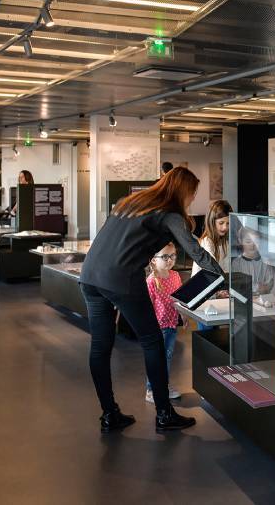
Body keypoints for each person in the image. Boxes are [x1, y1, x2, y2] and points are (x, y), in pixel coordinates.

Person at [80, 167, 222, 433]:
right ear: (183, 191)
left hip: (90, 275)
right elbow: (195, 251)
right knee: (152, 341)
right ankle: (164, 414)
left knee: (100, 346)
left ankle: (110, 414)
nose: (192, 199)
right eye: (192, 194)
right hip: (121, 279)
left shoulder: (131, 203)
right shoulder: (169, 215)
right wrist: (222, 275)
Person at [144, 242, 182, 403]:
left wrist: (184, 316)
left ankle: (163, 385)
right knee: (157, 358)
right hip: (158, 327)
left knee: (166, 357)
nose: (169, 260)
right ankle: (151, 389)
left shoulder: (175, 276)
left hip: (172, 325)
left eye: (172, 256)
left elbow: (180, 299)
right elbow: (147, 307)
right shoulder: (151, 281)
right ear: (153, 260)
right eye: (165, 256)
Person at [193, 199, 232, 277]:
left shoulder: (226, 242)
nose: (225, 227)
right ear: (211, 222)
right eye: (221, 223)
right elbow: (212, 271)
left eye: (228, 223)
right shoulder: (207, 242)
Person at [231, 227, 275, 296]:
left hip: (262, 298)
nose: (252, 245)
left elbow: (270, 282)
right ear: (240, 241)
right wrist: (256, 287)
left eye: (256, 241)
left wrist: (266, 288)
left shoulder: (265, 261)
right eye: (248, 242)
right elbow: (237, 285)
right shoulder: (236, 263)